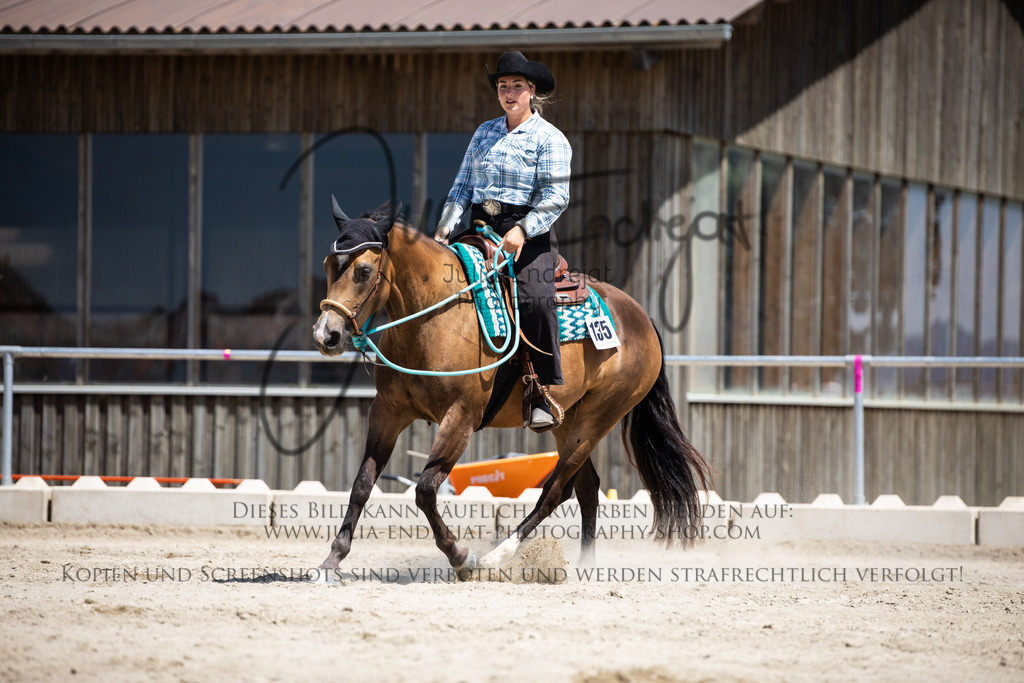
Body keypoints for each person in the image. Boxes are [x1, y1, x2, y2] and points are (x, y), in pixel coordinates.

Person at [435, 51, 571, 430]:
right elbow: (462, 186)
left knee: (535, 300)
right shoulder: (483, 132)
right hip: (479, 229)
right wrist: (444, 226)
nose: (509, 93)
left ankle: (541, 389)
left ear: (532, 91)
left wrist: (523, 229)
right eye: (502, 86)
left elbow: (556, 197)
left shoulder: (550, 139)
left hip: (528, 234)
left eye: (516, 86)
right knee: (441, 284)